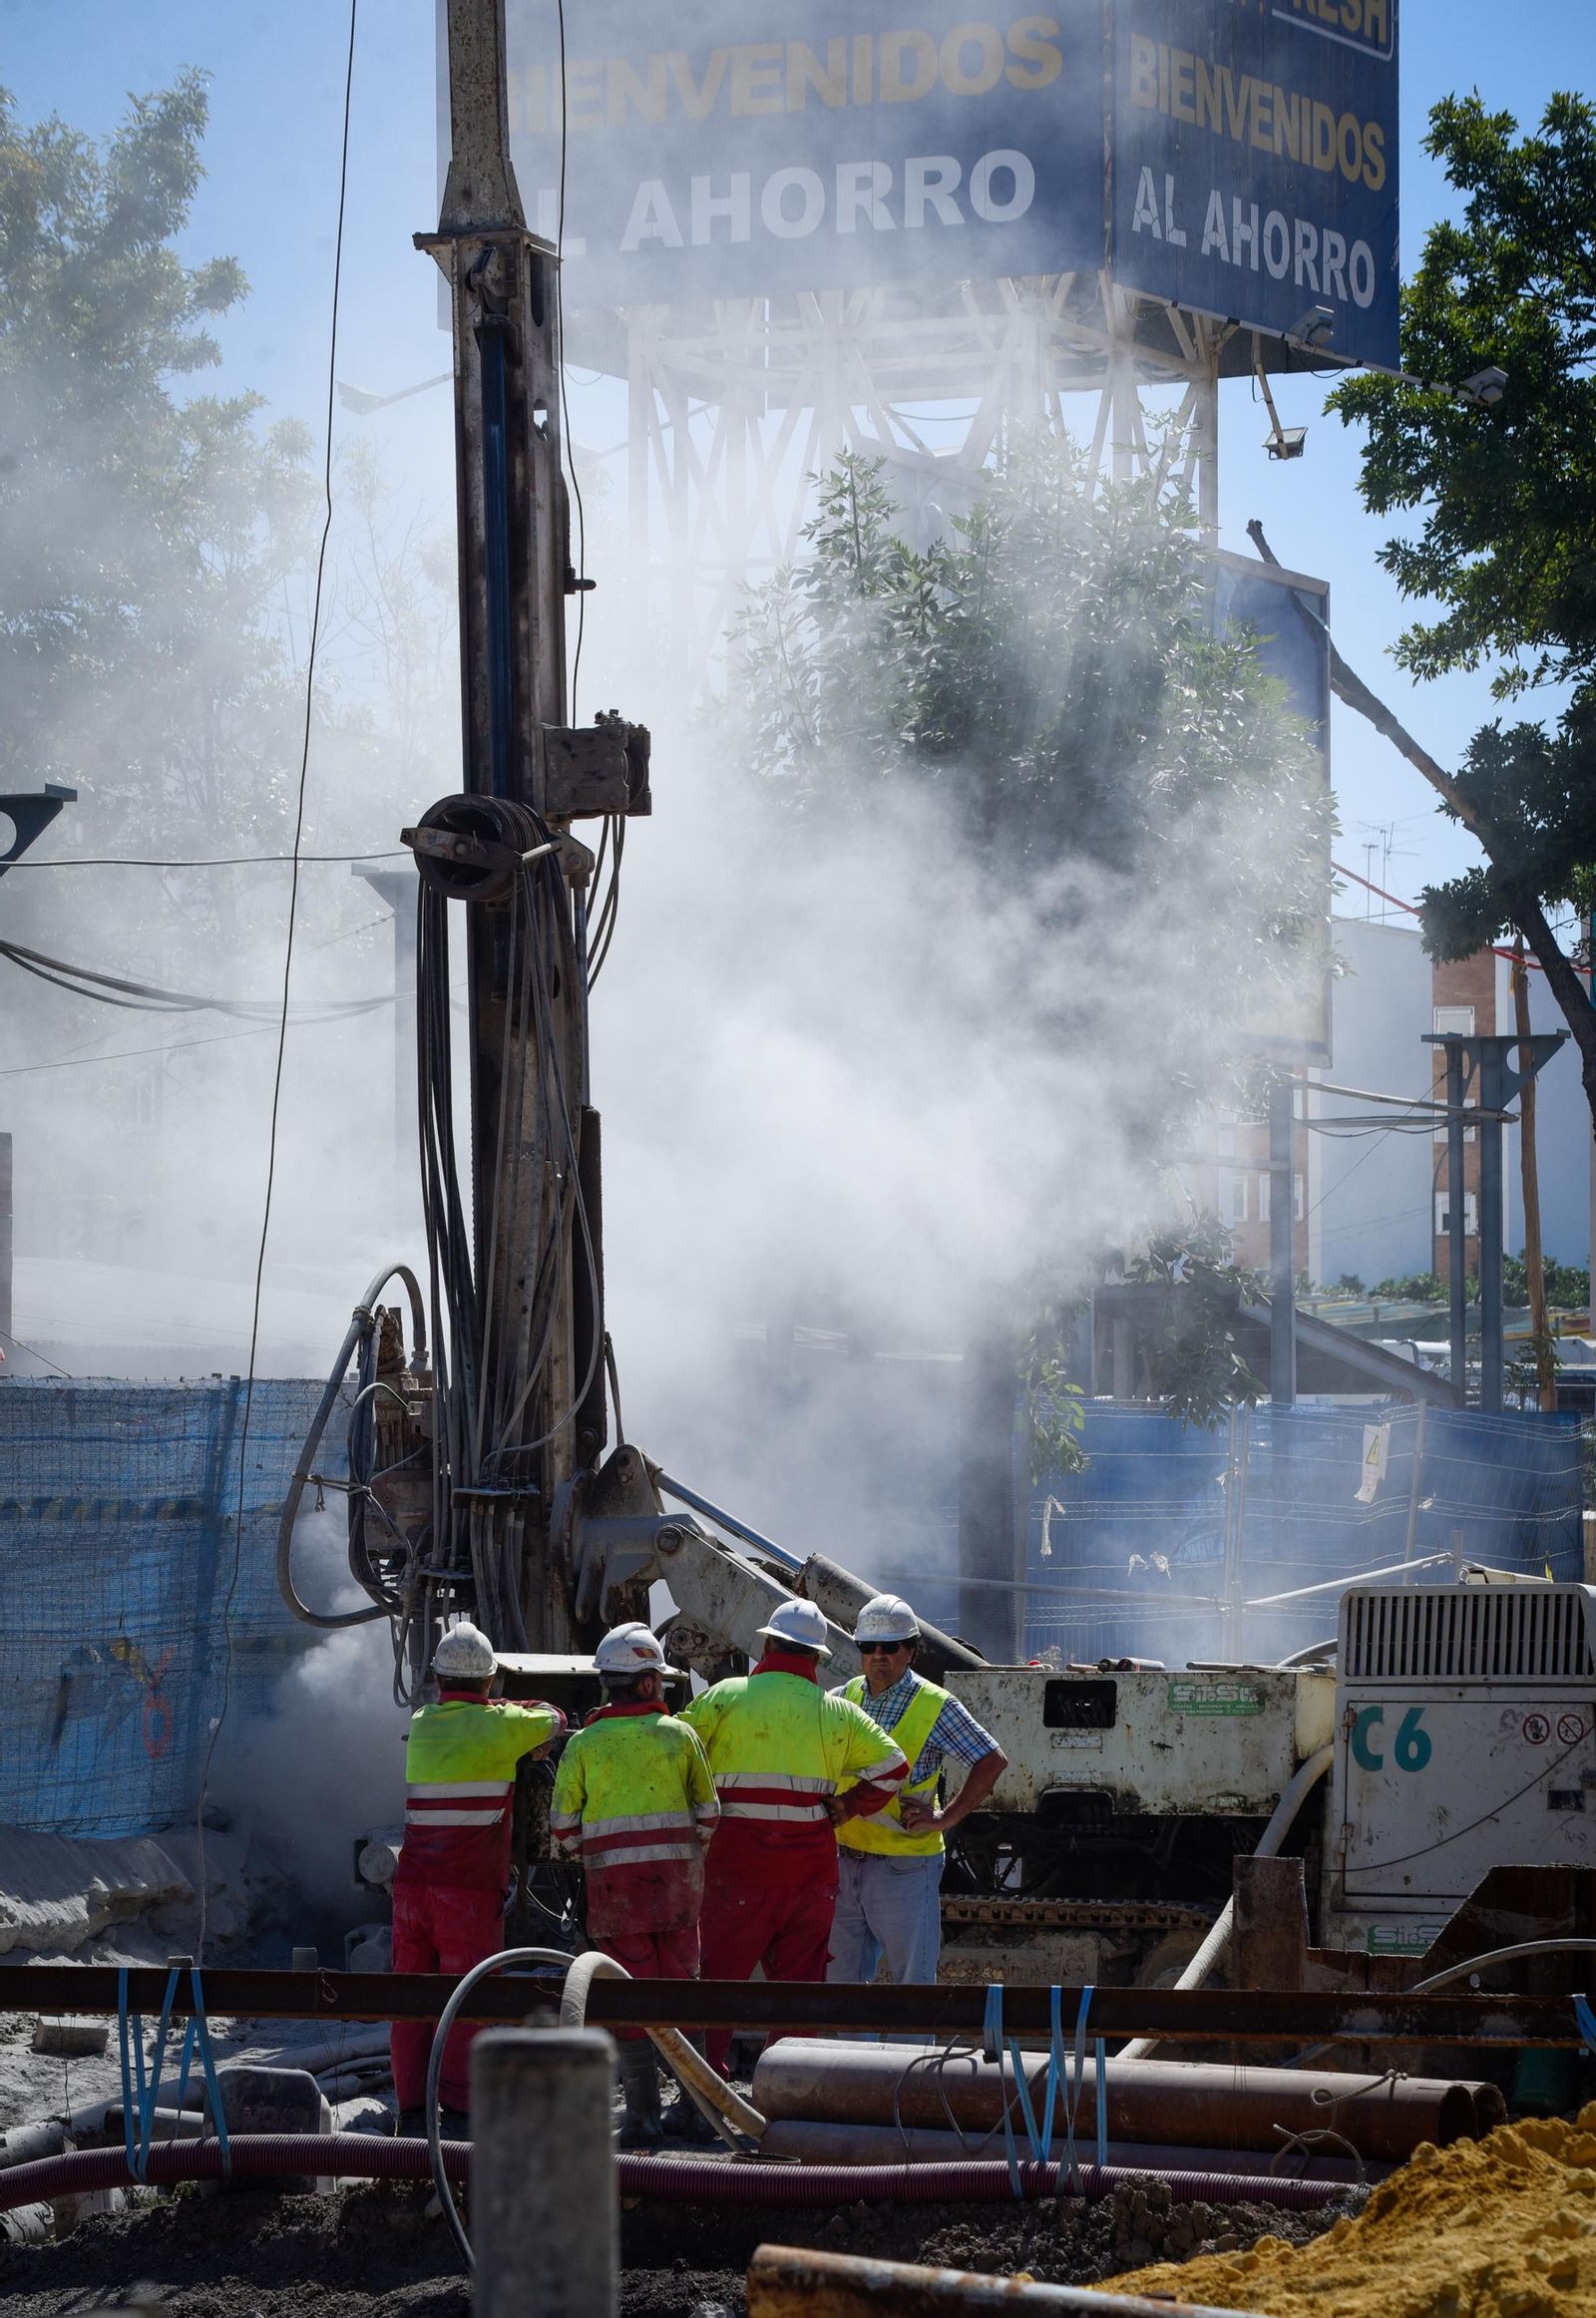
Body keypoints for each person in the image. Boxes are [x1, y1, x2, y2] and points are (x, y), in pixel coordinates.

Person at [681, 1596, 910, 2073]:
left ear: (766, 1644)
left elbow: (674, 1749)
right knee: (799, 1989)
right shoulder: (838, 1712)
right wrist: (847, 1805)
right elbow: (894, 1767)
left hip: (735, 1868)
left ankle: (699, 2093)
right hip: (810, 1874)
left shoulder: (725, 1696)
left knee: (716, 1983)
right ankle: (786, 2089)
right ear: (816, 1658)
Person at [550, 1620, 720, 2146]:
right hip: (676, 1894)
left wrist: (594, 1857)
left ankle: (644, 2118)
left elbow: (562, 1828)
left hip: (615, 1897)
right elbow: (709, 1814)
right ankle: (696, 2113)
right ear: (647, 1683)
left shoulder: (584, 1745)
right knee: (682, 1997)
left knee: (627, 2001)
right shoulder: (680, 1735)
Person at [389, 1620, 565, 2130]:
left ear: (438, 1681)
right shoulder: (503, 1725)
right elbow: (554, 1717)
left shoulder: (423, 1720)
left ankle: (411, 2116)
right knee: (469, 1996)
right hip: (466, 1890)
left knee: (410, 2000)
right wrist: (518, 1716)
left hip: (412, 1889)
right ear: (490, 1682)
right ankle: (462, 2118)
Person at [826, 1593, 1007, 1997]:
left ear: (910, 1650)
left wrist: (945, 1819)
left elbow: (992, 1760)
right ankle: (856, 2063)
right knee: (841, 1994)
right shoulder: (847, 1695)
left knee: (913, 1991)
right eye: (867, 1647)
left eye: (890, 1647)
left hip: (903, 1868)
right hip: (845, 1861)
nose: (878, 1656)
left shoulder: (934, 1705)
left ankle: (908, 2060)